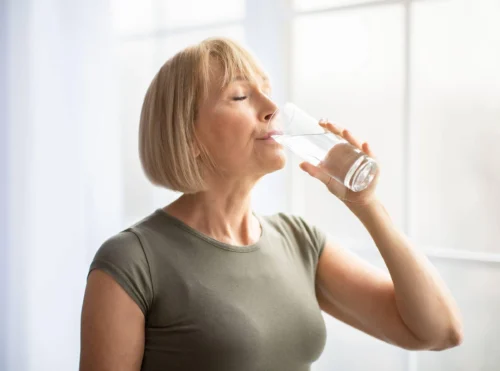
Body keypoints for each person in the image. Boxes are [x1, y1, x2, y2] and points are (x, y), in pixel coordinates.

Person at [79, 38, 463, 371]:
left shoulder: (299, 241)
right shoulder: (131, 261)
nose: (272, 109)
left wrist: (367, 205)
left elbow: (439, 331)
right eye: (241, 96)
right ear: (189, 136)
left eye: (267, 91)